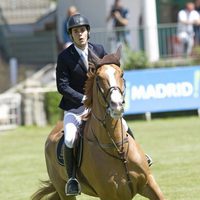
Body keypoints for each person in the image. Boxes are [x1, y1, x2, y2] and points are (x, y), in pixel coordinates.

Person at [56, 13, 152, 197]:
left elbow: (108, 71)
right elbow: (62, 86)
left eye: (83, 30)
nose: (80, 34)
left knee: (122, 124)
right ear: (71, 35)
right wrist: (83, 99)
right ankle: (72, 178)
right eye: (76, 31)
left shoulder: (98, 49)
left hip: (99, 106)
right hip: (76, 107)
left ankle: (140, 158)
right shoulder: (64, 57)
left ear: (88, 32)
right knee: (69, 137)